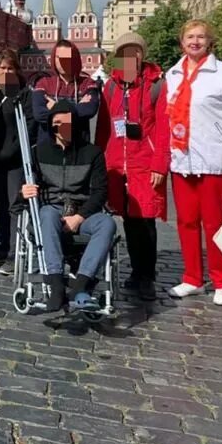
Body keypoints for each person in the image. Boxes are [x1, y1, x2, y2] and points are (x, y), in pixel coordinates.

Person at [165, 20, 222, 307]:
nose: (195, 41)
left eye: (200, 37)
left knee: (215, 223)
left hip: (214, 159)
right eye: (190, 37)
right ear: (182, 42)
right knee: (187, 221)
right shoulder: (173, 74)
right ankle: (192, 277)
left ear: (209, 42)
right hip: (182, 159)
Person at [94, 32, 169, 302]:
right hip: (116, 164)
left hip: (144, 165)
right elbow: (103, 129)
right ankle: (136, 272)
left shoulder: (155, 86)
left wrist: (160, 165)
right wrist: (99, 164)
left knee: (145, 221)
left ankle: (146, 276)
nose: (130, 57)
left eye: (135, 52)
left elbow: (163, 130)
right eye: (125, 52)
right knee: (127, 218)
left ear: (141, 56)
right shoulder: (111, 88)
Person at [24, 101, 114, 312]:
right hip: (52, 209)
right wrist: (24, 193)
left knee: (107, 223)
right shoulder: (38, 152)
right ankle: (55, 284)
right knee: (45, 213)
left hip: (82, 213)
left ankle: (81, 284)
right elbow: (26, 190)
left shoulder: (92, 153)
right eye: (57, 123)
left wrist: (79, 217)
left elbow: (100, 192)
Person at [0, 49, 36, 274]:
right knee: (0, 204)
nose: (5, 71)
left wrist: (14, 151)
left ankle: (15, 253)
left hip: (15, 160)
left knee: (14, 206)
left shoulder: (23, 94)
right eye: (2, 68)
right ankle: (3, 247)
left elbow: (31, 125)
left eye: (10, 68)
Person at [31, 40, 99, 145]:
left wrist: (55, 108)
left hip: (79, 149)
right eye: (59, 57)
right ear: (53, 59)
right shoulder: (43, 84)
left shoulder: (87, 84)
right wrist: (76, 108)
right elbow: (39, 114)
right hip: (48, 149)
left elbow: (89, 110)